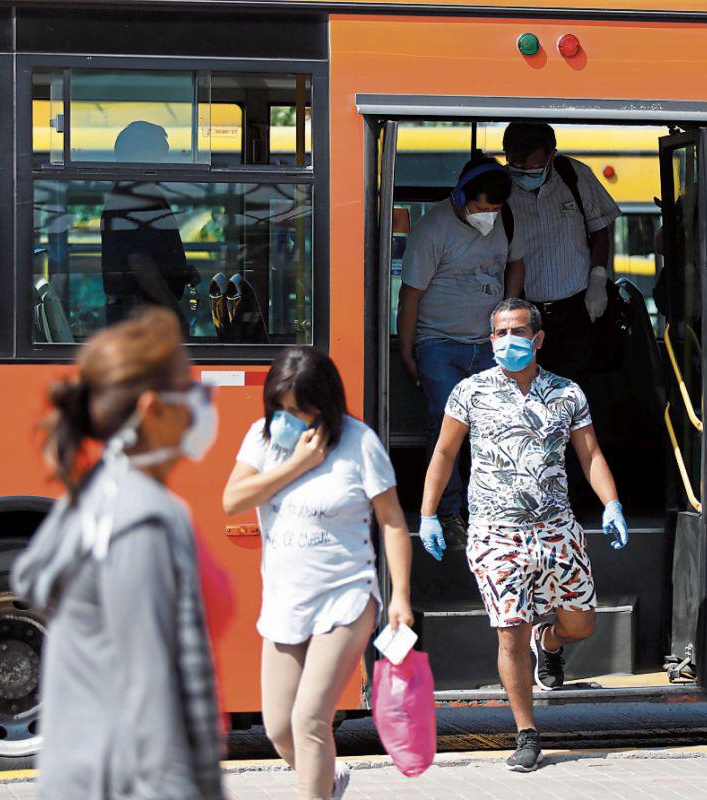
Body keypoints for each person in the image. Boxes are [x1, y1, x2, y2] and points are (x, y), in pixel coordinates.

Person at [10, 307, 223, 800]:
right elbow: (152, 700)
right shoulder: (139, 519)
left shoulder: (97, 497)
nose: (200, 403)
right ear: (153, 410)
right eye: (188, 390)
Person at [418, 298, 629, 772]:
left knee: (581, 624)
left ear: (537, 339)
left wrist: (611, 503)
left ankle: (550, 643)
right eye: (498, 333)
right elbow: (445, 454)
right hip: (497, 535)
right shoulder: (469, 392)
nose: (506, 340)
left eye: (517, 331)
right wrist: (429, 512)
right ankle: (527, 733)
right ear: (490, 339)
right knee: (509, 633)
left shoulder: (567, 393)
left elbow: (590, 454)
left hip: (557, 530)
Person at [222, 346, 414, 800]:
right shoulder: (264, 438)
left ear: (324, 402)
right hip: (285, 601)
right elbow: (233, 500)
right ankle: (327, 781)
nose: (289, 418)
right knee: (278, 728)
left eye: (299, 409)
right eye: (280, 408)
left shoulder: (358, 442)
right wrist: (296, 465)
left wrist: (400, 595)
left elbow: (391, 522)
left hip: (346, 597)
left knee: (310, 720)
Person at [397, 155, 524, 549]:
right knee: (447, 428)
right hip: (439, 344)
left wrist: (509, 316)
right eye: (482, 208)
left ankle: (497, 510)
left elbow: (515, 265)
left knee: (501, 424)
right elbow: (410, 297)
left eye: (495, 209)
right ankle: (449, 512)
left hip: (489, 344)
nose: (489, 216)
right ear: (461, 195)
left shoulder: (506, 219)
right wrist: (407, 352)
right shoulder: (432, 230)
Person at [502, 123, 622, 383]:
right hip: (524, 310)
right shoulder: (500, 188)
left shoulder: (574, 176)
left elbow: (600, 231)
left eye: (532, 168)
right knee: (525, 387)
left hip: (577, 309)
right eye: (516, 167)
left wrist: (598, 281)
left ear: (551, 156)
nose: (524, 173)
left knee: (576, 390)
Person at [102, 120, 199, 330]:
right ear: (142, 155)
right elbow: (140, 262)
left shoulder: (133, 193)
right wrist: (172, 310)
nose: (164, 164)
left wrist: (178, 271)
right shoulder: (135, 196)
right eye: (160, 156)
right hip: (141, 316)